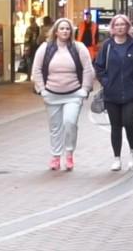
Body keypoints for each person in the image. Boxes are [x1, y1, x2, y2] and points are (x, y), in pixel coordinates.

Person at [30, 18, 95, 171]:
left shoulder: (78, 47)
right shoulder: (45, 48)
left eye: (68, 29)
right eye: (62, 28)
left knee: (70, 123)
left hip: (74, 94)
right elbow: (36, 69)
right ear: (56, 31)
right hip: (51, 95)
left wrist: (84, 89)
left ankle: (69, 153)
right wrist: (42, 90)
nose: (65, 31)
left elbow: (88, 69)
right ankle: (55, 156)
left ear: (71, 32)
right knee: (55, 127)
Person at [94, 14, 133, 171]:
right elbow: (99, 67)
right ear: (112, 28)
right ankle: (116, 158)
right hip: (112, 93)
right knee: (115, 126)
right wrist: (106, 82)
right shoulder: (107, 46)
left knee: (129, 123)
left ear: (127, 27)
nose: (119, 27)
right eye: (116, 25)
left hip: (131, 94)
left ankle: (132, 151)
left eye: (122, 24)